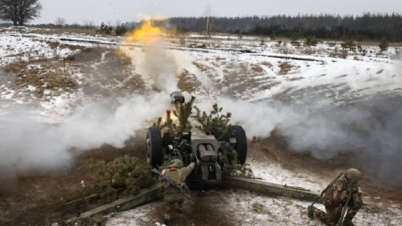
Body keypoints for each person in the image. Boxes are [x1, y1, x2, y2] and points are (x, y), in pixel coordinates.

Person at [161, 159, 195, 226]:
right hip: (179, 196)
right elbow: (190, 168)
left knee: (168, 206)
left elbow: (162, 185)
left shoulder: (164, 171)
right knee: (180, 199)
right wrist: (193, 162)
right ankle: (179, 207)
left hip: (168, 196)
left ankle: (167, 217)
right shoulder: (182, 171)